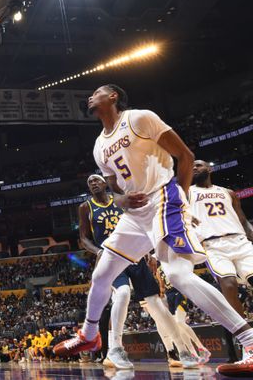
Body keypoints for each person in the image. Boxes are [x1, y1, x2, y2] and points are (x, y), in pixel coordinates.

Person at [53, 84, 253, 376]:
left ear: (113, 97)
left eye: (96, 92)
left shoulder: (140, 118)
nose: (89, 97)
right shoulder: (98, 146)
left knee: (178, 275)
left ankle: (249, 341)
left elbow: (185, 156)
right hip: (135, 214)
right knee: (101, 273)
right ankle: (90, 335)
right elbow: (115, 188)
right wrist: (121, 199)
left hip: (163, 198)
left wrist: (181, 198)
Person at [78, 173, 198, 369]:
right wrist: (98, 251)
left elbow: (144, 223)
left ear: (105, 183)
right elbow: (83, 238)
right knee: (123, 294)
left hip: (135, 255)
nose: (92, 183)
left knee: (156, 304)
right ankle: (115, 348)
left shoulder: (122, 201)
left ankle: (182, 349)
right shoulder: (86, 207)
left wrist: (149, 250)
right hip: (113, 257)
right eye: (89, 182)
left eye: (96, 180)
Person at [189, 159, 253, 314]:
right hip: (212, 245)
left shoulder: (228, 192)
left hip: (240, 241)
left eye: (198, 165)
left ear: (209, 169)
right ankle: (244, 334)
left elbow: (242, 219)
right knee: (229, 285)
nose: (194, 168)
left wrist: (250, 234)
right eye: (192, 167)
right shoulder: (186, 192)